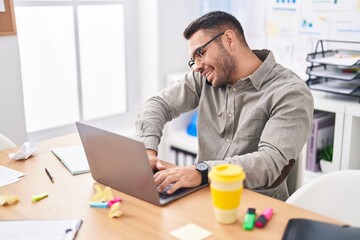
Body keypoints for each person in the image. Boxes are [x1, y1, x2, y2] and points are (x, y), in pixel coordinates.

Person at [135, 11, 314, 201]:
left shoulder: (291, 92)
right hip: (204, 196)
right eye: (193, 60)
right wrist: (148, 151)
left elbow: (269, 163)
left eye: (201, 53)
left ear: (229, 39)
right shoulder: (203, 78)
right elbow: (158, 104)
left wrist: (202, 172)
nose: (196, 66)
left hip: (255, 206)